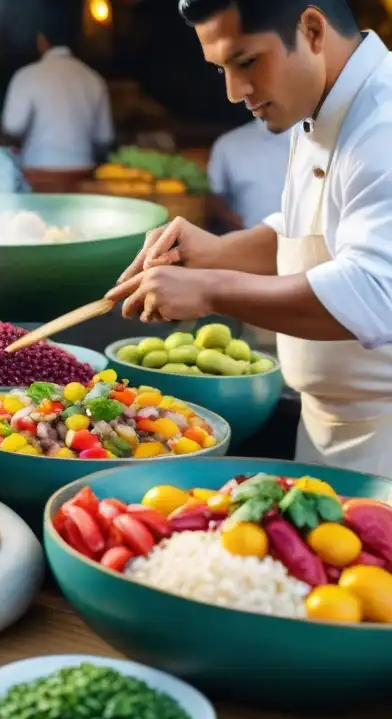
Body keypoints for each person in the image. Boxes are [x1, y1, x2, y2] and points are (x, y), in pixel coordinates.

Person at [107, 0, 392, 474]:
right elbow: (310, 231)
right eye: (221, 68)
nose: (234, 92)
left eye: (247, 62)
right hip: (330, 430)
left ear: (313, 30)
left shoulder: (383, 122)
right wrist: (216, 253)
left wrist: (212, 289)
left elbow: (376, 291)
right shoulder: (325, 103)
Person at [0, 7, 114, 170]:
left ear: (41, 40)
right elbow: (104, 138)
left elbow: (12, 127)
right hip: (82, 175)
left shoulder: (27, 76)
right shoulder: (94, 79)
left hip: (37, 174)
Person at [208, 118, 292, 228]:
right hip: (246, 239)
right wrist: (229, 220)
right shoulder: (228, 144)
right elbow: (212, 197)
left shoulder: (316, 139)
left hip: (313, 240)